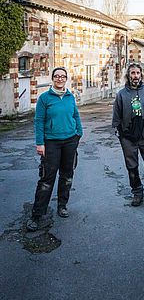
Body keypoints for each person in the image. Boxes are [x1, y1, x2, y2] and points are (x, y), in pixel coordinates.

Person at [27, 67, 83, 231]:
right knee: (46, 178)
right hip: (51, 142)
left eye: (62, 76)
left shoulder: (70, 96)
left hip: (70, 141)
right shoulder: (44, 98)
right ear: (53, 78)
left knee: (67, 175)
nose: (59, 79)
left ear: (66, 79)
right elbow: (39, 121)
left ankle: (62, 205)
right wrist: (40, 143)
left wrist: (79, 132)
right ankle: (37, 215)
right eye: (57, 76)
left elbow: (76, 115)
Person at [112, 62, 144, 207]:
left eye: (138, 73)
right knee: (132, 168)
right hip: (128, 137)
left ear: (141, 75)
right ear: (128, 75)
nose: (135, 76)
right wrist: (120, 133)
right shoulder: (121, 94)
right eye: (132, 73)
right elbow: (116, 116)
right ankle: (137, 193)